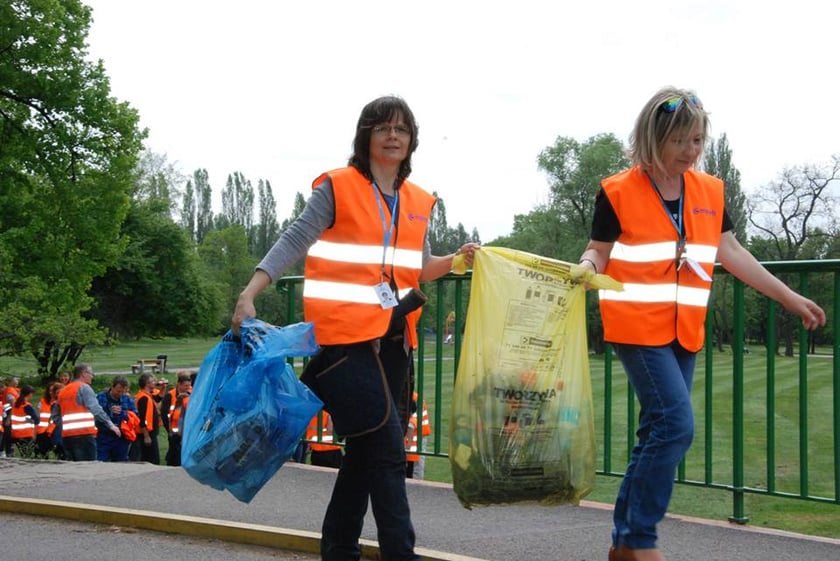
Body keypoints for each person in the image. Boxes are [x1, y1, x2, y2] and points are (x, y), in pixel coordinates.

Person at [576, 86, 827, 561]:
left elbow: (731, 252)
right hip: (636, 325)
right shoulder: (616, 190)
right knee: (675, 425)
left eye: (697, 141)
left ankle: (624, 544)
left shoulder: (709, 190)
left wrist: (791, 298)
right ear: (653, 139)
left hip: (684, 330)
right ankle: (640, 540)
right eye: (680, 142)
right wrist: (588, 267)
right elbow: (599, 251)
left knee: (656, 431)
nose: (690, 152)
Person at [232, 95, 479, 561]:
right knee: (387, 453)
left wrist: (456, 260)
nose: (392, 136)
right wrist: (250, 291)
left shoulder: (419, 201)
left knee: (365, 458)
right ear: (366, 136)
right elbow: (295, 238)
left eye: (401, 130)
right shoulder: (339, 187)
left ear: (411, 141)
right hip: (344, 343)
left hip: (393, 343)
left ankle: (339, 551)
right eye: (383, 128)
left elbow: (418, 267)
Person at [57, 364, 121, 461]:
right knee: (88, 467)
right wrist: (110, 424)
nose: (93, 376)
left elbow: (55, 415)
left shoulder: (64, 390)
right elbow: (95, 409)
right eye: (91, 373)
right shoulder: (84, 388)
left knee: (73, 468)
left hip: (67, 436)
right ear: (83, 374)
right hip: (84, 435)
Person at [96, 376, 137, 462]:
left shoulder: (127, 399)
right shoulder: (100, 397)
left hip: (121, 437)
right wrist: (108, 412)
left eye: (123, 392)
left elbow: (135, 415)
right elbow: (96, 414)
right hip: (104, 435)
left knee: (121, 462)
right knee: (101, 460)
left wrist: (123, 413)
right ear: (112, 387)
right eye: (118, 391)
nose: (120, 394)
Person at [160, 371, 191, 466]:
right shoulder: (170, 395)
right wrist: (168, 429)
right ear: (179, 384)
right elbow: (164, 414)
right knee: (174, 451)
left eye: (189, 385)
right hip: (173, 430)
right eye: (185, 386)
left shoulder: (191, 394)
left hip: (185, 428)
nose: (187, 388)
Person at [132, 373, 162, 464]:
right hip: (147, 433)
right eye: (153, 381)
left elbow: (159, 397)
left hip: (150, 432)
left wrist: (163, 388)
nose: (155, 382)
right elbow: (142, 417)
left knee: (151, 457)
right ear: (147, 384)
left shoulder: (148, 395)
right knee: (152, 458)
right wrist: (146, 436)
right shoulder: (143, 398)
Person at [404, 392, 430, 479]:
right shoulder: (411, 397)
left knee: (416, 466)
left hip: (417, 437)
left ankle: (418, 485)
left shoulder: (414, 399)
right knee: (412, 465)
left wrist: (408, 444)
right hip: (413, 437)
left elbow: (412, 424)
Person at [9, 384, 38, 457]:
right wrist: (30, 420)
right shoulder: (26, 406)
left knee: (23, 454)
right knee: (27, 456)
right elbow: (37, 419)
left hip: (15, 434)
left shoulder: (15, 404)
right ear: (29, 394)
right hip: (26, 434)